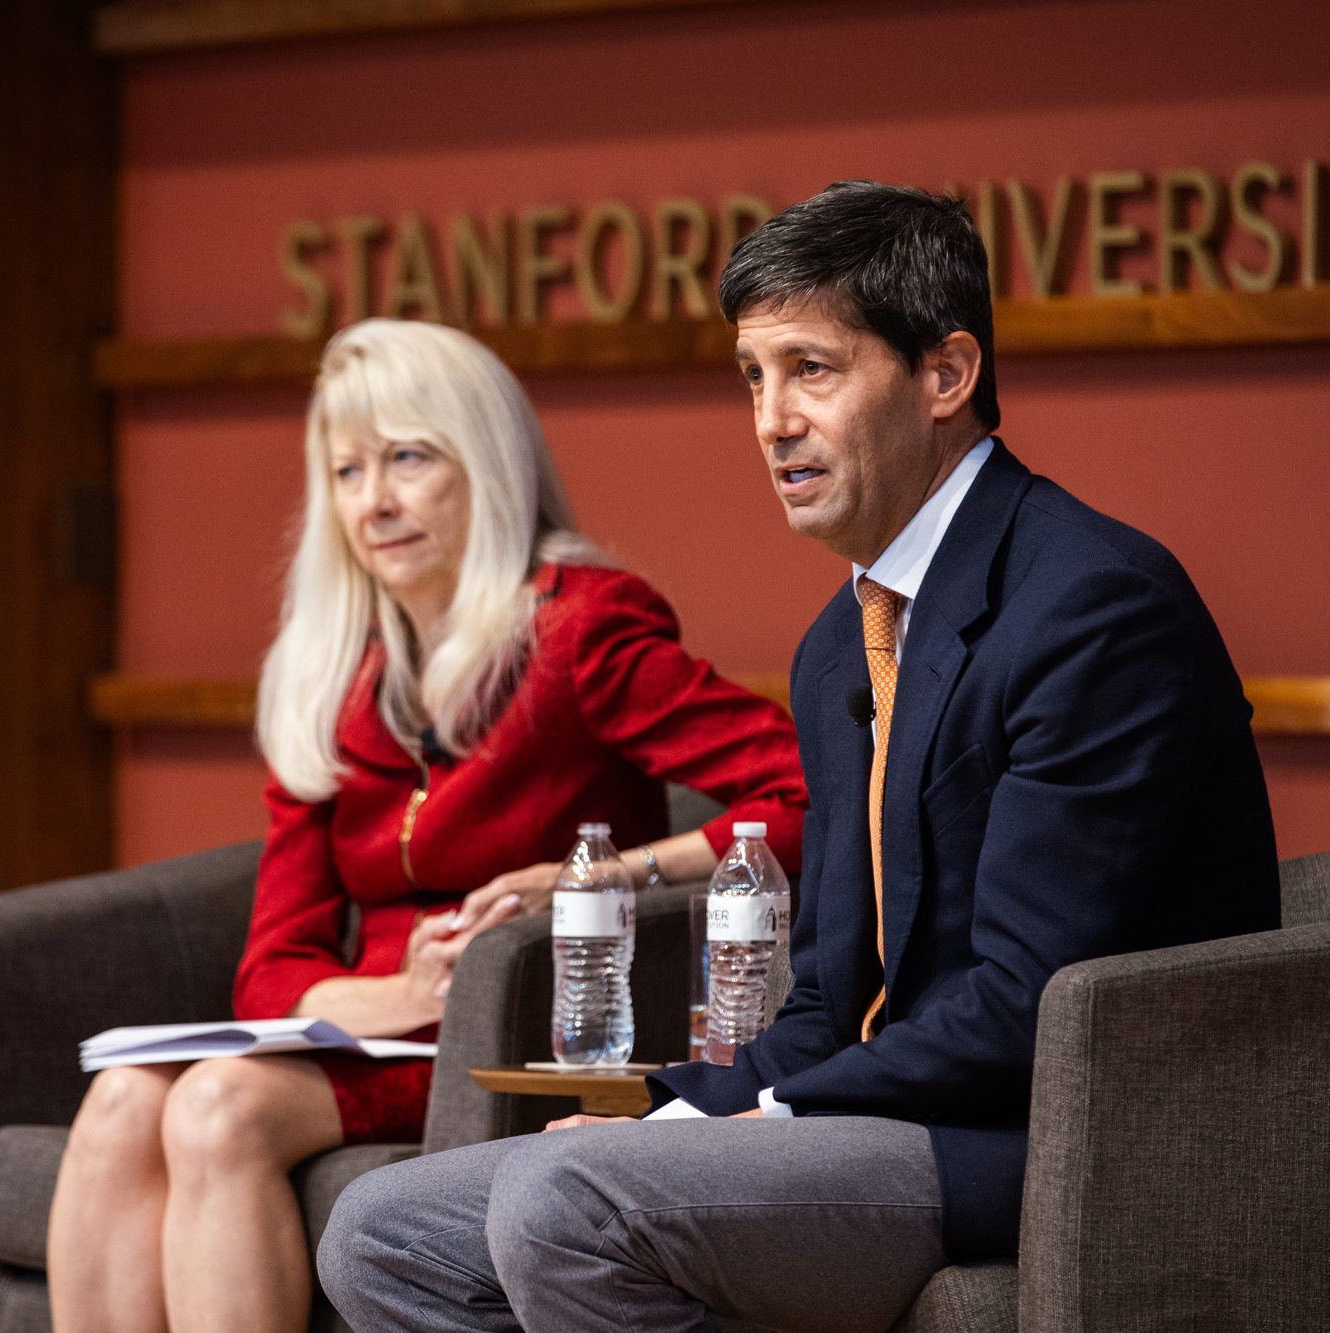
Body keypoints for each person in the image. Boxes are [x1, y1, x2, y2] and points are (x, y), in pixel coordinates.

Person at [318, 181, 1281, 1332]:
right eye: (752, 376)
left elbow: (1022, 1003)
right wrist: (680, 1115)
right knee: (380, 1231)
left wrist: (761, 1117)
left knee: (564, 1198)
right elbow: (828, 998)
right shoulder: (840, 641)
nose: (770, 420)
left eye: (810, 369)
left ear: (944, 374)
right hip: (876, 1117)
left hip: (1042, 1132)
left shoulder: (1090, 608)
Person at [45, 318, 807, 1333]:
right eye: (347, 470)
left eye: (408, 458)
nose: (374, 501)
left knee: (214, 1106)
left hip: (526, 1028)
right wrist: (395, 993)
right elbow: (271, 969)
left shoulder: (578, 625)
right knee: (118, 1105)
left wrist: (611, 872)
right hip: (376, 1028)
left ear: (484, 463)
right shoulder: (329, 668)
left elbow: (803, 792)